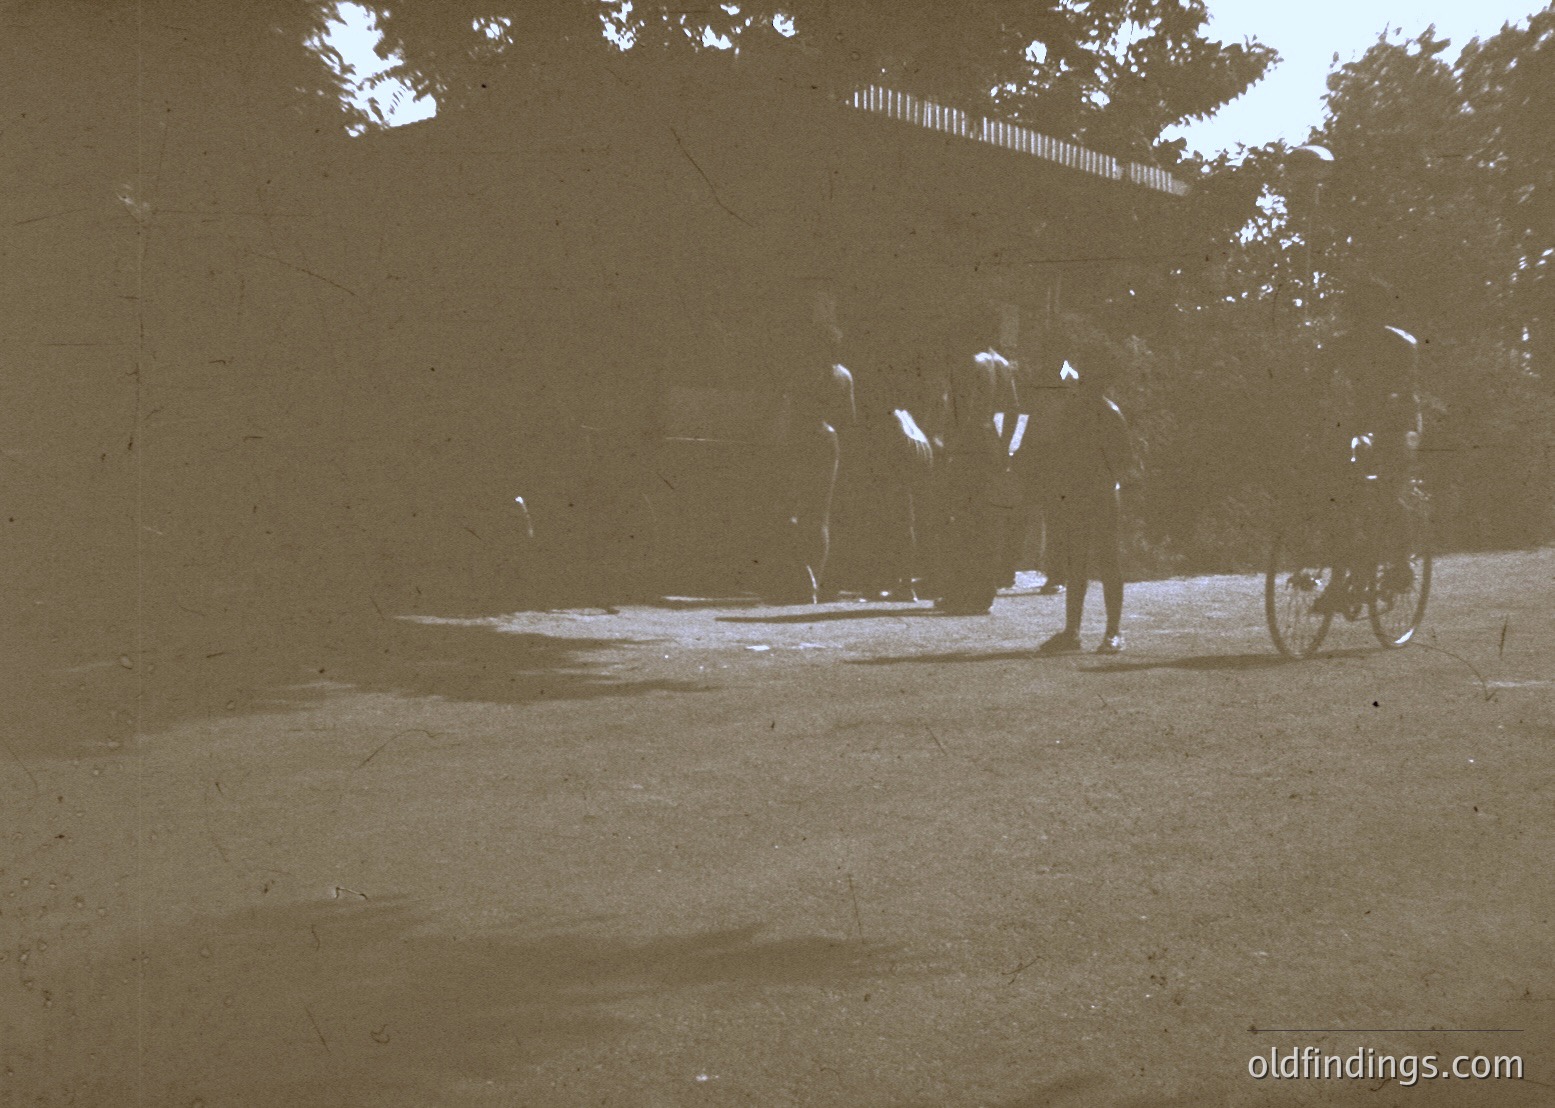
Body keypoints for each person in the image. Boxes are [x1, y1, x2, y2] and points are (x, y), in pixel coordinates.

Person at [1313, 277, 1422, 613]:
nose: (1362, 319)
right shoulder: (1340, 345)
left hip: (1399, 423)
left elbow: (1402, 393)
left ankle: (1401, 563)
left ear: (1382, 312)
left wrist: (1377, 429)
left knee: (1387, 492)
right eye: (1357, 311)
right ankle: (1340, 581)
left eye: (1369, 311)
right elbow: (1314, 386)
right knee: (1341, 498)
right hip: (1361, 423)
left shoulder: (1402, 345)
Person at [1037, 355, 1138, 654]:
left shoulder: (1108, 413)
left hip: (1100, 493)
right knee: (1076, 562)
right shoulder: (1076, 412)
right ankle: (1074, 632)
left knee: (1107, 561)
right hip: (1079, 492)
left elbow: (1124, 459)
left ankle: (1112, 631)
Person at [775, 291, 856, 604]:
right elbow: (847, 418)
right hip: (829, 440)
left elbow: (788, 409)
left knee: (791, 509)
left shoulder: (801, 374)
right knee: (820, 515)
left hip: (801, 437)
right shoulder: (844, 375)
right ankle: (814, 581)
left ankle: (796, 576)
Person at [933, 321, 1019, 614]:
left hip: (969, 447)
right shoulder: (1003, 365)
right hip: (992, 444)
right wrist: (1008, 447)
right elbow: (1014, 409)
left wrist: (950, 444)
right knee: (988, 521)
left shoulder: (971, 362)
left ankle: (960, 592)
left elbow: (963, 409)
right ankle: (984, 591)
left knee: (963, 521)